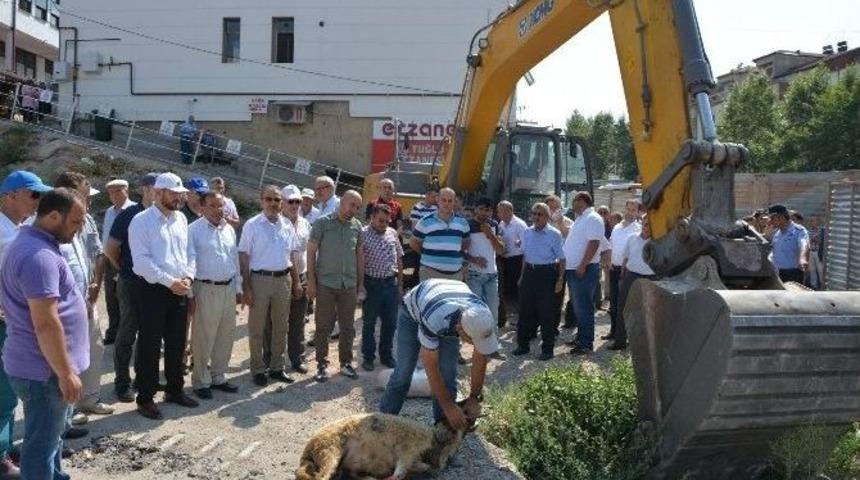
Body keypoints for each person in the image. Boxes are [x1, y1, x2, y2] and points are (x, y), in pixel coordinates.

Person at [1, 188, 87, 480]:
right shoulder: (38, 257)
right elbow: (46, 323)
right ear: (53, 216)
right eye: (75, 222)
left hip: (45, 368)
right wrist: (65, 373)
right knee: (40, 446)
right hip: (44, 372)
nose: (79, 230)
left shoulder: (36, 244)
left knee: (51, 440)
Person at [379, 279, 498, 430]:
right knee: (404, 372)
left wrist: (474, 398)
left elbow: (481, 358)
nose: (475, 345)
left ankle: (443, 430)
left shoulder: (483, 316)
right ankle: (382, 423)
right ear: (460, 330)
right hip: (413, 313)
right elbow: (430, 366)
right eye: (471, 340)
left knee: (448, 374)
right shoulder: (434, 318)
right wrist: (449, 407)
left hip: (448, 308)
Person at [129, 172, 199, 419]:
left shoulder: (180, 219)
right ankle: (145, 397)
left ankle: (174, 389)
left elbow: (189, 252)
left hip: (180, 288)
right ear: (158, 193)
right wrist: (170, 282)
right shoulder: (141, 221)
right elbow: (141, 262)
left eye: (181, 194)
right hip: (153, 290)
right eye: (174, 194)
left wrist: (188, 277)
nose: (179, 198)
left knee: (177, 342)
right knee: (149, 344)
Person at [0, 170, 51, 479]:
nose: (38, 202)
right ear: (11, 195)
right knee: (3, 389)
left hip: (17, 319)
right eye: (34, 195)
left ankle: (5, 445)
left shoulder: (19, 228)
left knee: (13, 387)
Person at [53, 172, 114, 426]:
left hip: (88, 300)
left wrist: (95, 287)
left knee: (92, 348)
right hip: (65, 306)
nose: (88, 203)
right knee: (66, 357)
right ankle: (67, 411)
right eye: (85, 197)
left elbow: (99, 254)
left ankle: (89, 399)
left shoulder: (87, 220)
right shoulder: (52, 224)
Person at [239, 186, 302, 387]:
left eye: (276, 200)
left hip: (284, 280)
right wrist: (246, 286)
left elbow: (291, 256)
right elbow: (244, 255)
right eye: (269, 199)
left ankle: (277, 367)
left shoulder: (286, 225)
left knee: (281, 326)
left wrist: (297, 282)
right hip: (260, 280)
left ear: (281, 202)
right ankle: (258, 369)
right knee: (257, 328)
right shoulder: (252, 224)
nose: (273, 203)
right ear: (261, 201)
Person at [104, 173, 158, 402]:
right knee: (126, 334)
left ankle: (143, 379)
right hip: (131, 283)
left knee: (149, 335)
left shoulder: (162, 216)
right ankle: (122, 382)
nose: (159, 193)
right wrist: (124, 269)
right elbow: (110, 248)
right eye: (156, 188)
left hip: (153, 285)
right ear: (145, 189)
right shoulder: (129, 214)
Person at [187, 192, 242, 399]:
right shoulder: (193, 231)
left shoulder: (229, 229)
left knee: (225, 335)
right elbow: (188, 262)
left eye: (221, 206)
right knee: (203, 337)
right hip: (206, 288)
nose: (218, 210)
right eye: (212, 206)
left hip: (228, 288)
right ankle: (201, 381)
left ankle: (218, 376)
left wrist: (238, 288)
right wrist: (190, 294)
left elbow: (234, 259)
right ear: (202, 208)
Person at [307, 190, 364, 382]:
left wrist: (360, 284)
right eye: (352, 204)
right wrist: (312, 282)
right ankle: (321, 365)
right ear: (342, 202)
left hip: (348, 284)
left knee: (348, 327)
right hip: (325, 284)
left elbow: (359, 256)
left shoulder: (357, 227)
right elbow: (311, 252)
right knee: (323, 326)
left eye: (357, 207)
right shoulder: (322, 223)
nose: (354, 210)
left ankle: (345, 363)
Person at [512, 203, 565, 361]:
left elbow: (562, 259)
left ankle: (547, 349)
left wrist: (560, 280)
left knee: (546, 312)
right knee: (525, 311)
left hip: (547, 274)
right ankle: (523, 345)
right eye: (534, 213)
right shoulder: (527, 232)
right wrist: (522, 276)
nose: (536, 217)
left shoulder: (554, 234)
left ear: (547, 216)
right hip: (529, 272)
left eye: (540, 214)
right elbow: (525, 256)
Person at [357, 203, 403, 372]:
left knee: (390, 323)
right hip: (372, 284)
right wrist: (360, 286)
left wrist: (400, 286)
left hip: (390, 284)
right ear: (372, 218)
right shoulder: (362, 234)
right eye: (380, 220)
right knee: (369, 323)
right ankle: (368, 357)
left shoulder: (392, 233)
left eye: (386, 221)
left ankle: (386, 355)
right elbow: (360, 262)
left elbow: (399, 259)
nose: (383, 224)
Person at [563, 192, 604, 355]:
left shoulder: (593, 218)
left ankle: (586, 343)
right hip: (574, 269)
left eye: (574, 200)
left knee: (584, 307)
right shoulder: (580, 218)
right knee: (578, 306)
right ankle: (581, 337)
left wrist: (582, 265)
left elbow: (594, 242)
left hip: (584, 270)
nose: (572, 203)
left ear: (582, 201)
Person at [280, 185, 311, 374]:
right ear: (282, 202)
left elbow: (309, 252)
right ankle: (273, 360)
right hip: (283, 276)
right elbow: (287, 254)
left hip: (302, 275)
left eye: (297, 201)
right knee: (277, 321)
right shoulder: (277, 224)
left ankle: (296, 358)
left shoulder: (305, 224)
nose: (294, 205)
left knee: (298, 321)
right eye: (290, 201)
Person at [614, 215, 656, 351]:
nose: (647, 227)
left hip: (651, 278)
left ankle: (644, 344)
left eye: (650, 225)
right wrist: (622, 274)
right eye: (645, 224)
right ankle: (620, 341)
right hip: (631, 276)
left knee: (648, 311)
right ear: (641, 224)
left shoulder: (658, 242)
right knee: (623, 307)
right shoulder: (632, 238)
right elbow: (625, 257)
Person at [101, 178, 135, 345]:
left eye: (118, 191)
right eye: (111, 192)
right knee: (111, 298)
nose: (114, 195)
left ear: (126, 191)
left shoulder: (134, 210)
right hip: (109, 260)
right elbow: (106, 237)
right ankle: (113, 331)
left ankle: (125, 333)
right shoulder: (109, 211)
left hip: (126, 259)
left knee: (126, 299)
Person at [411, 188, 469, 281]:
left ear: (454, 202)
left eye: (450, 201)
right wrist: (428, 253)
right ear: (437, 200)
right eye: (444, 200)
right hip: (429, 273)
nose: (446, 203)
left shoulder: (463, 222)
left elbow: (465, 243)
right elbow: (413, 243)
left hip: (455, 275)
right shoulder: (425, 221)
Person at [465, 197, 504, 330]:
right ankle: (477, 346)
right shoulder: (467, 225)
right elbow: (460, 251)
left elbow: (501, 250)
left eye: (486, 210)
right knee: (476, 312)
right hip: (474, 274)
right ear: (475, 209)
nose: (483, 213)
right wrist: (474, 259)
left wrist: (490, 234)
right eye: (480, 209)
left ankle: (492, 345)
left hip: (492, 275)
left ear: (491, 211)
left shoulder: (494, 225)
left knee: (493, 312)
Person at [606, 201, 641, 342]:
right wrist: (608, 261)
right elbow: (611, 245)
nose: (630, 212)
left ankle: (624, 335)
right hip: (613, 268)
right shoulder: (617, 227)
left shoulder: (638, 229)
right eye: (628, 209)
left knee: (624, 303)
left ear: (638, 212)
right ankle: (614, 331)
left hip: (627, 270)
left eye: (633, 210)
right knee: (613, 303)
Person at [497, 201, 526, 328]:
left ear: (509, 211)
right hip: (504, 260)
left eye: (501, 211)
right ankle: (509, 315)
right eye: (498, 211)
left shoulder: (520, 225)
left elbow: (525, 246)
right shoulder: (501, 225)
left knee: (517, 289)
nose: (499, 214)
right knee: (506, 289)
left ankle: (519, 316)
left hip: (517, 260)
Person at [768, 204, 809, 284]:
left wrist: (802, 258)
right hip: (777, 273)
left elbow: (804, 244)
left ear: (782, 217)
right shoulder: (777, 233)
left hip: (792, 274)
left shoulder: (798, 230)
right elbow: (774, 252)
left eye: (773, 218)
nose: (771, 221)